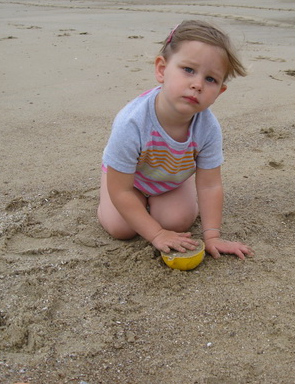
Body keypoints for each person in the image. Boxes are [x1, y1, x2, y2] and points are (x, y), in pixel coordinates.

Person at [98, 20, 253, 260]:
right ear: (162, 69)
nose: (197, 84)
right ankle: (105, 201)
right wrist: (157, 234)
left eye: (211, 79)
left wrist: (212, 236)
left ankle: (167, 198)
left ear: (220, 91)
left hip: (171, 180)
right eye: (188, 70)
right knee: (122, 228)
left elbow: (210, 184)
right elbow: (121, 191)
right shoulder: (132, 123)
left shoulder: (208, 128)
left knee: (177, 221)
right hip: (128, 181)